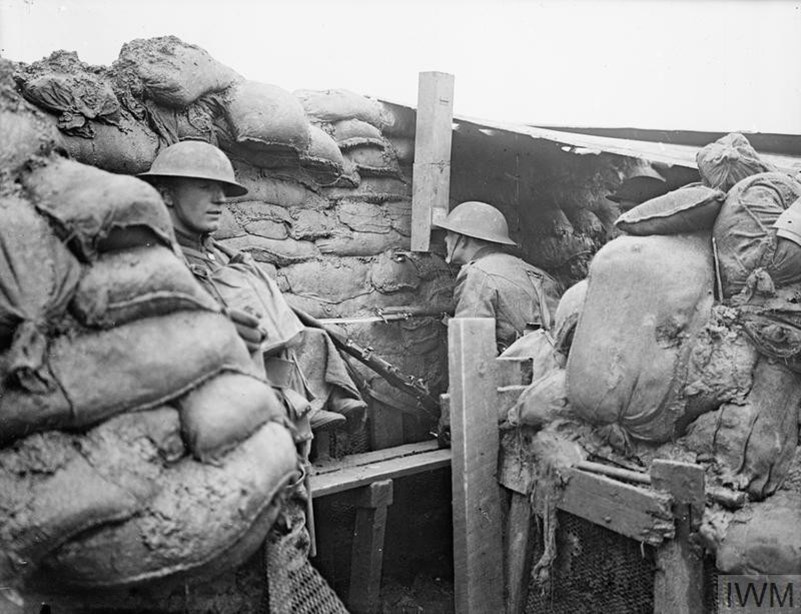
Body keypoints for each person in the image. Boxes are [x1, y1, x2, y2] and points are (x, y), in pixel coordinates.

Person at [138, 140, 366, 437]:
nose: (220, 200)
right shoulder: (154, 255)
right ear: (167, 195)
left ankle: (317, 402)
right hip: (206, 371)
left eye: (223, 191)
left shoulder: (220, 254)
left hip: (256, 361)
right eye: (205, 188)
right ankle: (292, 409)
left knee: (311, 338)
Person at [434, 200, 562, 354]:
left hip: (513, 372)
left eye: (449, 235)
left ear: (463, 239)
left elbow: (471, 348)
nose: (445, 240)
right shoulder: (534, 271)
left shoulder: (477, 274)